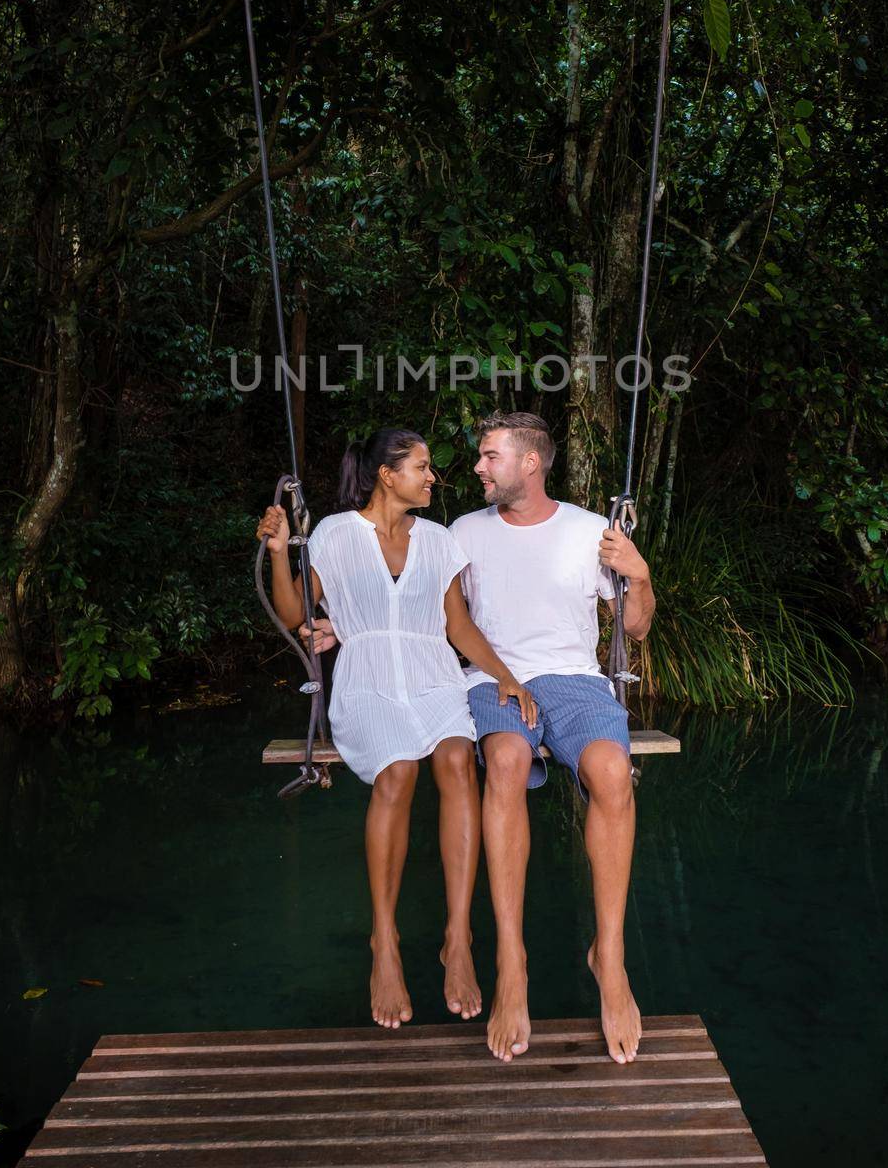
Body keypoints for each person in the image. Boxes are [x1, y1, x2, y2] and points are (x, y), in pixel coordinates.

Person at [255, 427, 536, 1033]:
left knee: (458, 759)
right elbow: (296, 613)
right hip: (367, 682)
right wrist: (280, 552)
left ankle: (457, 936)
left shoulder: (437, 541)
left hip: (436, 679)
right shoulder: (333, 533)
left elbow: (457, 625)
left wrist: (505, 676)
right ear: (387, 475)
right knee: (399, 769)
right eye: (422, 467)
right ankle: (384, 939)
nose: (433, 477)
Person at [449, 410, 656, 1066]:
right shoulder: (462, 533)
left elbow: (639, 627)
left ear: (529, 463)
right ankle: (512, 963)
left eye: (489, 456)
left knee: (611, 773)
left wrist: (640, 575)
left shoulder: (589, 530)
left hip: (574, 681)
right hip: (490, 680)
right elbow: (434, 614)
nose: (478, 468)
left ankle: (610, 957)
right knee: (505, 759)